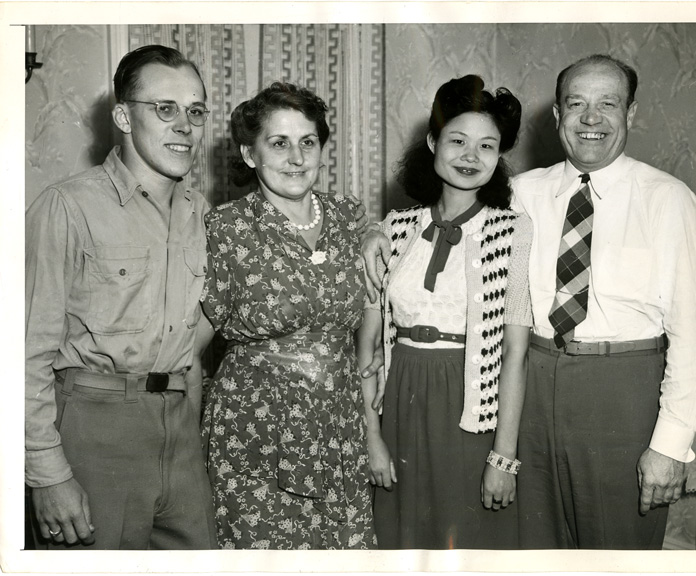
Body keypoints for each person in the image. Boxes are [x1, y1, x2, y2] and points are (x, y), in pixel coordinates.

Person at [363, 54, 696, 550]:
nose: (590, 119)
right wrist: (367, 233)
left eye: (607, 104)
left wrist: (671, 443)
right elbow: (437, 218)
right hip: (530, 387)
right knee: (529, 546)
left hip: (620, 394)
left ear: (631, 114)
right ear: (556, 115)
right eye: (576, 104)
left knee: (616, 550)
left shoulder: (669, 200)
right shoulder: (520, 194)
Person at [25, 45, 218, 549]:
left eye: (195, 111)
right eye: (165, 108)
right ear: (122, 117)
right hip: (94, 428)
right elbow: (24, 354)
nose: (184, 125)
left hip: (178, 431)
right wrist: (47, 474)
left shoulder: (204, 215)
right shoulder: (66, 207)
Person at [193, 82, 378, 550]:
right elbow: (191, 348)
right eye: (279, 143)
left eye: (307, 142)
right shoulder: (226, 227)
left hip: (337, 427)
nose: (296, 158)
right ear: (250, 154)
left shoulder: (345, 216)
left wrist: (377, 232)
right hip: (254, 430)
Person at [359, 75, 532, 549]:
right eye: (457, 140)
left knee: (469, 541)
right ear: (433, 142)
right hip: (398, 399)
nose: (470, 157)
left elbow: (515, 354)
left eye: (487, 146)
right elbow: (368, 347)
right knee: (401, 538)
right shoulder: (393, 228)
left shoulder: (511, 231)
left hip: (470, 405)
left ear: (499, 157)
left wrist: (504, 458)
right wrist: (371, 436)